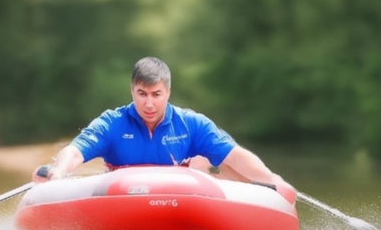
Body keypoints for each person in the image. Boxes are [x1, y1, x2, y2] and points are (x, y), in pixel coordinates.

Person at [32, 56, 296, 203]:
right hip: (122, 199)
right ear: (132, 91)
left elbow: (235, 155)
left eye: (156, 94)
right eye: (142, 94)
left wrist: (272, 179)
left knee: (227, 168)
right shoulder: (112, 122)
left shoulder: (190, 122)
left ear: (168, 92)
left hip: (179, 197)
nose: (149, 103)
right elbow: (76, 150)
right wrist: (59, 172)